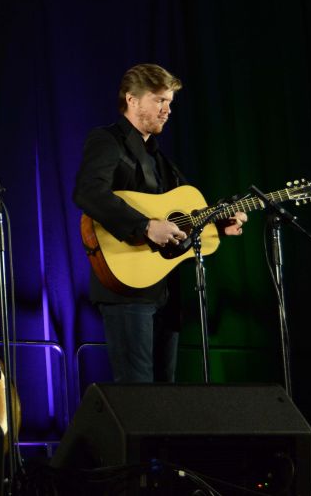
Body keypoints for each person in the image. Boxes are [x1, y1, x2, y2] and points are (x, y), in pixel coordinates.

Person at [72, 63, 247, 383]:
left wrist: (218, 226)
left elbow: (185, 219)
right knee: (138, 393)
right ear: (132, 99)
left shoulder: (161, 161)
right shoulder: (107, 140)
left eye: (169, 102)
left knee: (166, 394)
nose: (167, 110)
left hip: (165, 291)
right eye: (159, 101)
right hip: (127, 289)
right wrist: (144, 226)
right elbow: (88, 191)